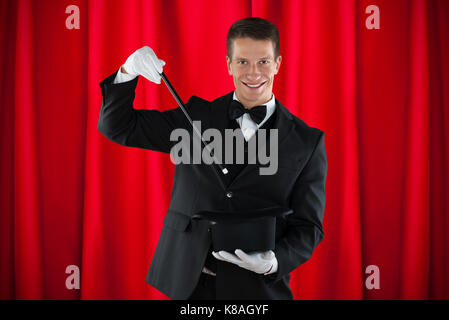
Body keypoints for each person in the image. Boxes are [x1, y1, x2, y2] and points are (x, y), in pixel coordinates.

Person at [97, 17, 327, 300]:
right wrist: (128, 70)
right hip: (188, 285)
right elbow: (117, 126)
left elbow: (309, 227)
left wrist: (274, 261)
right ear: (229, 64)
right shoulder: (193, 117)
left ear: (278, 64)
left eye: (264, 62)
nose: (254, 72)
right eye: (242, 61)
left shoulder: (307, 141)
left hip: (259, 291)